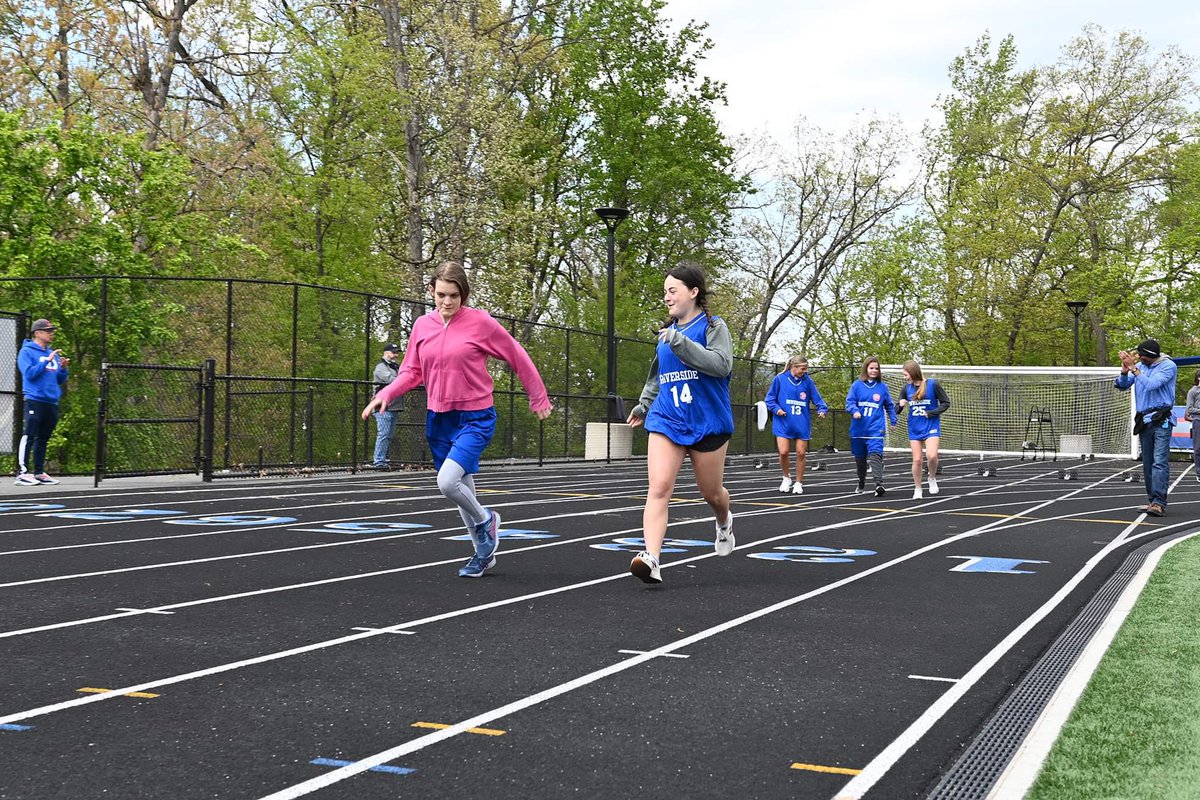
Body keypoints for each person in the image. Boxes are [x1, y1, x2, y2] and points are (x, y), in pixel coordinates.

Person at [361, 262, 553, 577]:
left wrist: (538, 396)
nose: (447, 302)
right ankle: (482, 554)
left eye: (454, 296)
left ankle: (486, 521)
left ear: (463, 294)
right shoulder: (423, 326)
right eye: (441, 295)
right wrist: (387, 393)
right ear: (431, 292)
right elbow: (411, 371)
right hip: (439, 416)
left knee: (447, 482)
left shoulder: (481, 323)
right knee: (463, 486)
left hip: (475, 415)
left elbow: (516, 354)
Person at [626, 262, 735, 584]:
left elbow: (720, 365)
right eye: (664, 292)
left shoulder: (714, 327)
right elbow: (657, 377)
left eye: (672, 291)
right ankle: (652, 558)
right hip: (667, 418)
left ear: (693, 291)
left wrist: (680, 342)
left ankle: (724, 521)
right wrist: (644, 405)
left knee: (711, 493)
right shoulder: (666, 335)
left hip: (708, 422)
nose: (667, 297)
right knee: (658, 487)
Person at [1115, 339, 1178, 516]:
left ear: (1150, 355)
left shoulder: (1168, 366)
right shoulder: (1143, 367)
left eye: (1142, 356)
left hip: (1161, 419)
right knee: (1148, 463)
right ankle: (1152, 500)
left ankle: (1159, 502)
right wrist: (1125, 371)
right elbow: (1122, 386)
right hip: (1144, 420)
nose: (1139, 358)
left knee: (1159, 462)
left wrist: (1134, 369)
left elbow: (1151, 385)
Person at [16, 318, 69, 485]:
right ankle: (22, 472)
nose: (51, 334)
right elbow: (29, 374)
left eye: (51, 331)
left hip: (51, 401)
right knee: (29, 434)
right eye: (48, 331)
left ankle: (39, 472)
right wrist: (46, 361)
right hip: (34, 399)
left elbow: (59, 379)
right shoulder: (26, 352)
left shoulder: (52, 353)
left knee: (43, 437)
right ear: (37, 333)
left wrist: (63, 368)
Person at [764, 356, 828, 494]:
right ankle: (786, 477)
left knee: (801, 453)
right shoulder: (780, 379)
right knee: (783, 452)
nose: (804, 372)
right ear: (794, 367)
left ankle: (799, 482)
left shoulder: (807, 381)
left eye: (806, 369)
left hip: (801, 422)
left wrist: (822, 409)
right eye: (802, 369)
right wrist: (777, 409)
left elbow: (818, 399)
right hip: (783, 422)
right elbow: (769, 399)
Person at [896, 360, 950, 500]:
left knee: (931, 456)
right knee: (917, 460)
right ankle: (918, 488)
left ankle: (931, 477)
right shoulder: (905, 389)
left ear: (913, 373)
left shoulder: (933, 384)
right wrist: (900, 405)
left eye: (905, 374)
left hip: (931, 426)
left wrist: (932, 413)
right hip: (914, 428)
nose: (904, 377)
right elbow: (896, 410)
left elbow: (946, 403)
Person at [845, 356, 897, 496]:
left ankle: (879, 484)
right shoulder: (857, 385)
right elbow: (849, 402)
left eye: (876, 368)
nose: (874, 371)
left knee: (875, 455)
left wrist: (893, 421)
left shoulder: (882, 387)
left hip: (876, 429)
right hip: (859, 429)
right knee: (860, 459)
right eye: (871, 368)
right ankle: (861, 481)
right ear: (866, 369)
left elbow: (889, 406)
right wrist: (855, 411)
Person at [368, 343, 403, 469]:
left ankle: (383, 459)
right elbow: (393, 381)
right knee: (383, 434)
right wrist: (403, 378)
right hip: (382, 407)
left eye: (396, 353)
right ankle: (378, 461)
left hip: (394, 406)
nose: (396, 355)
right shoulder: (381, 367)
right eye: (393, 352)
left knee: (388, 435)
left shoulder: (395, 367)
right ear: (386, 353)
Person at [1186, 369, 1200, 482]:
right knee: (1198, 448)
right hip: (1198, 421)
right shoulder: (1193, 391)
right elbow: (1189, 409)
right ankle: (1199, 473)